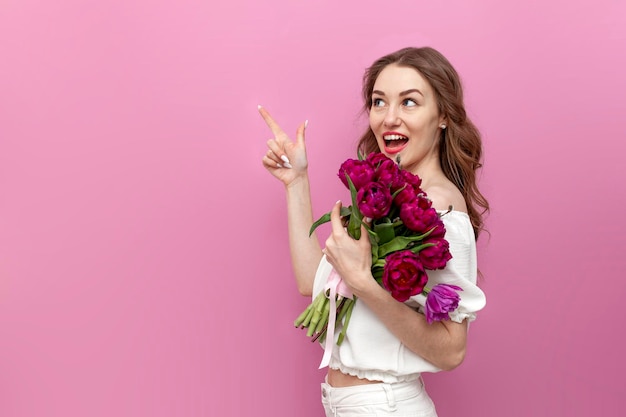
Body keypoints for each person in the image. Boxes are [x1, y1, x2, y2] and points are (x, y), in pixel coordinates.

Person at [259, 46, 489, 417]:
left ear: (443, 115)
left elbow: (452, 350)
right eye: (379, 102)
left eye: (409, 102)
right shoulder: (389, 196)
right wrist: (296, 181)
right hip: (349, 406)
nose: (389, 118)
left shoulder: (442, 212)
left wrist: (364, 282)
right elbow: (310, 283)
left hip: (386, 407)